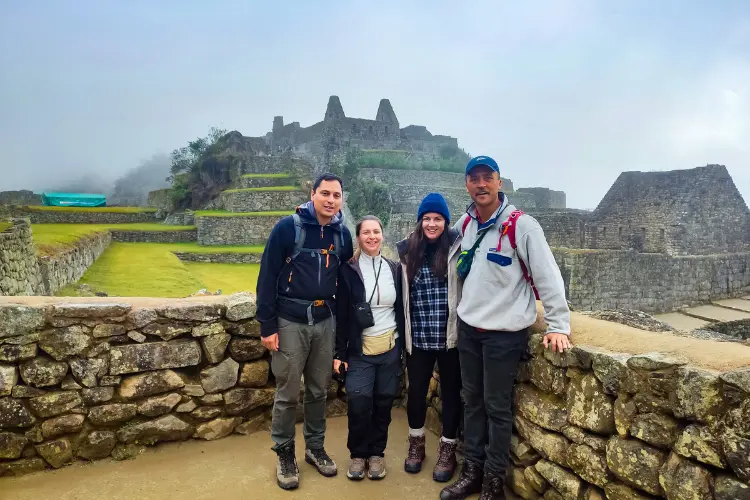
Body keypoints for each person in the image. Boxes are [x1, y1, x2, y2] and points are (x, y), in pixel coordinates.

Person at [440, 156, 572, 500]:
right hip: (470, 329)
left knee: (497, 407)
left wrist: (558, 324)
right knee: (473, 403)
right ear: (467, 185)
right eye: (474, 179)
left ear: (499, 182)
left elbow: (547, 275)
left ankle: (493, 482)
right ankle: (471, 471)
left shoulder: (522, 225)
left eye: (488, 177)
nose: (481, 184)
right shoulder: (466, 224)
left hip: (504, 335)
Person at [256, 172, 354, 491]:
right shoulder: (289, 227)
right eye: (324, 193)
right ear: (312, 194)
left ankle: (315, 447)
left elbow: (347, 281)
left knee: (317, 390)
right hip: (290, 320)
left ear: (342, 199)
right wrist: (267, 325)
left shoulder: (342, 234)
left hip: (325, 320)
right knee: (287, 392)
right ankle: (285, 453)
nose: (330, 200)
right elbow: (267, 276)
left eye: (336, 195)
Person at [396, 193, 463, 483]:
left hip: (450, 338)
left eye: (437, 219)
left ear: (446, 222)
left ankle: (448, 449)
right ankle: (417, 444)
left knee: (451, 395)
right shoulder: (407, 252)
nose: (432, 224)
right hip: (419, 338)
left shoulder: (457, 249)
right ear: (420, 221)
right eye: (427, 218)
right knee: (415, 394)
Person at [334, 215, 405, 481]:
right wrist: (339, 353)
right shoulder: (348, 270)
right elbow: (342, 315)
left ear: (382, 235)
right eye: (366, 232)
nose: (372, 237)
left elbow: (400, 310)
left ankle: (376, 454)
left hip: (389, 348)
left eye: (376, 232)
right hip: (360, 351)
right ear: (358, 237)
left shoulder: (394, 269)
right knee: (359, 402)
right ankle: (357, 454)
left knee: (384, 402)